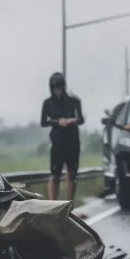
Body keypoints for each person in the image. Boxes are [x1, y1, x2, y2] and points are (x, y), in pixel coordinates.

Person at [40, 72, 84, 201]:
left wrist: (73, 120)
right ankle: (53, 204)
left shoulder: (74, 101)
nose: (58, 91)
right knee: (55, 175)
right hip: (57, 143)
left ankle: (69, 204)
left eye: (60, 88)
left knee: (71, 174)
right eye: (55, 88)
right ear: (51, 88)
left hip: (73, 141)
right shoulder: (48, 103)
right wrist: (57, 121)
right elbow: (43, 122)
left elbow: (81, 119)